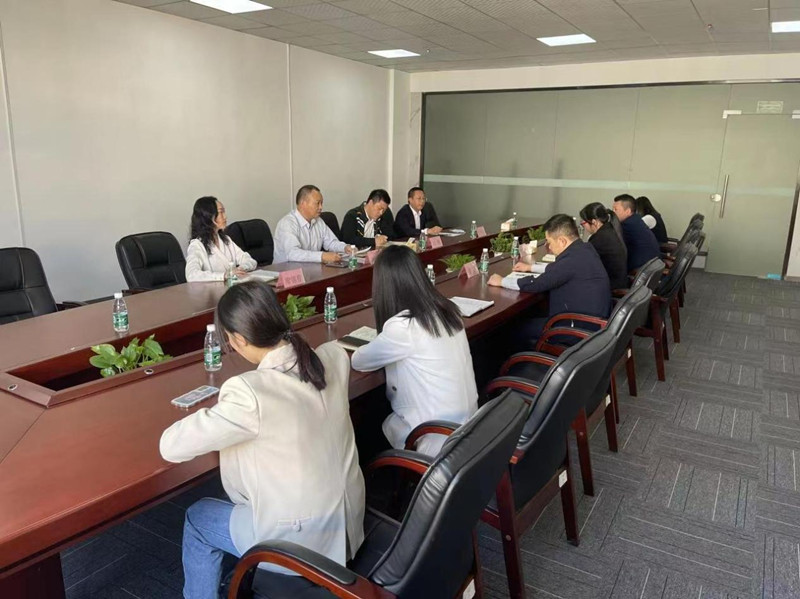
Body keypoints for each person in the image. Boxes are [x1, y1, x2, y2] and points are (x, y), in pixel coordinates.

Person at [160, 282, 365, 599]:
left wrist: (214, 411)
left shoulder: (250, 392)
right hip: (349, 525)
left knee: (198, 517)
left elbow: (171, 446)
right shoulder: (333, 357)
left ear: (239, 340)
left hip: (300, 544)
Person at [351, 245, 478, 456]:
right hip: (469, 428)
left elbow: (359, 361)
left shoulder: (403, 327)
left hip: (436, 438)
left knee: (366, 423)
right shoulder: (448, 310)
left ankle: (387, 474)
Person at [488, 214, 611, 343]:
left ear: (562, 241)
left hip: (574, 330)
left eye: (550, 242)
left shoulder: (570, 261)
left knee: (513, 328)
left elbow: (537, 284)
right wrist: (530, 267)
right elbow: (558, 269)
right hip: (591, 324)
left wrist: (501, 281)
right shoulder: (583, 249)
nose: (549, 247)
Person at [273, 185, 356, 263]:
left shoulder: (318, 221)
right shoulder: (287, 224)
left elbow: (331, 242)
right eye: (317, 203)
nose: (321, 207)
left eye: (321, 203)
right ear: (303, 204)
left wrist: (345, 248)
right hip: (287, 271)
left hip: (311, 270)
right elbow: (292, 254)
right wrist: (322, 256)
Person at [185, 196, 257, 282]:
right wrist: (224, 275)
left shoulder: (226, 240)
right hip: (212, 290)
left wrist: (241, 268)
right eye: (221, 212)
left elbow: (250, 260)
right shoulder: (197, 245)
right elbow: (191, 275)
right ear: (208, 216)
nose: (225, 217)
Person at [579, 202, 628, 290]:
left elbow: (582, 261)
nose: (583, 227)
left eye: (583, 223)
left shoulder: (600, 238)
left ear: (594, 222)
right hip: (618, 282)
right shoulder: (609, 230)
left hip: (610, 287)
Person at [612, 194, 661, 272]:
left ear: (628, 211)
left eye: (615, 209)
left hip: (641, 268)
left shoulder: (627, 225)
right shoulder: (636, 220)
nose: (613, 213)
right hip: (653, 264)